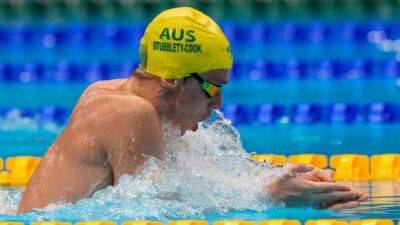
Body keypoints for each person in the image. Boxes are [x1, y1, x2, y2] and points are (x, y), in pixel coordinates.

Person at [18, 7, 367, 213]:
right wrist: (271, 198)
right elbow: (155, 210)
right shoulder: (130, 114)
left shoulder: (116, 94)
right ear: (173, 82)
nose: (218, 104)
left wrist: (277, 178)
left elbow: (191, 178)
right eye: (212, 88)